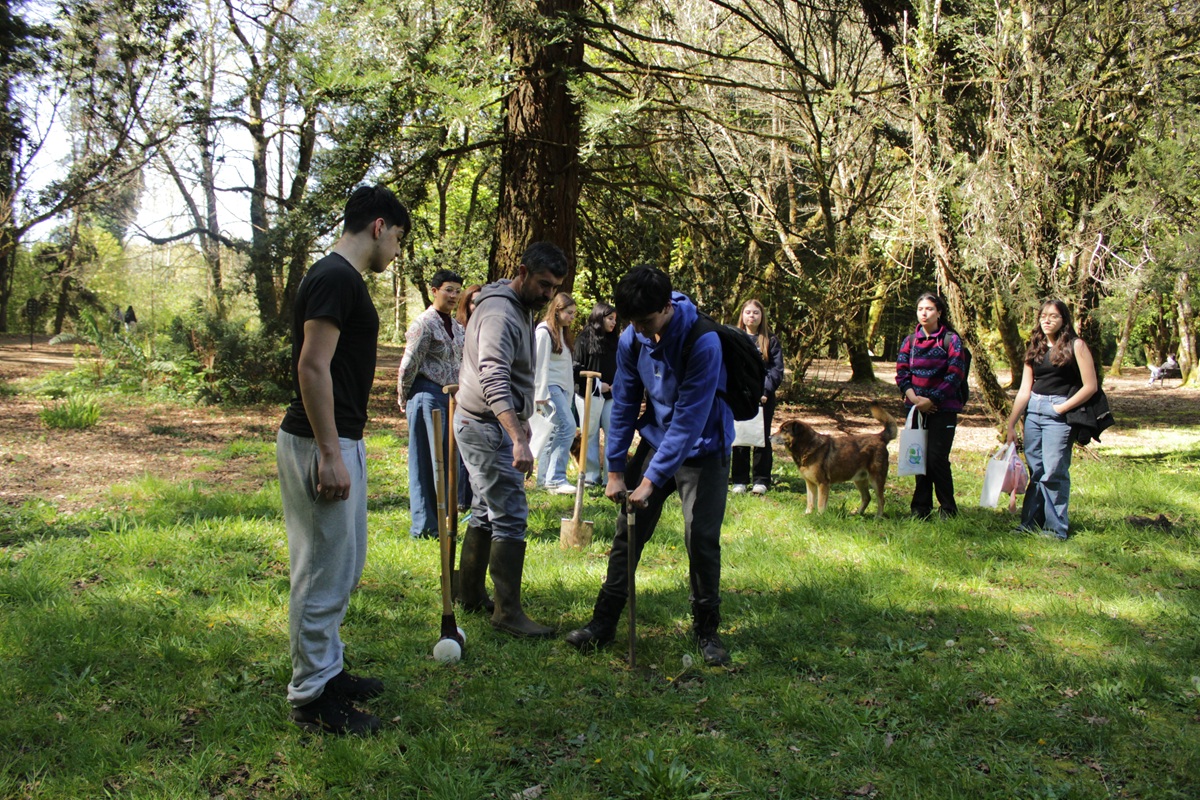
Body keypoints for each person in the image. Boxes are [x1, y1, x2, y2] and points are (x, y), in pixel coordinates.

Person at [276, 184, 410, 736]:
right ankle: (311, 697)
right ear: (380, 226)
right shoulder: (334, 276)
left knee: (343, 566)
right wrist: (330, 453)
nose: (397, 252)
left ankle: (328, 672)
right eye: (399, 238)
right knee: (321, 571)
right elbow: (313, 367)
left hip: (340, 438)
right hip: (317, 442)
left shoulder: (343, 279)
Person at [565, 265, 735, 666]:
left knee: (701, 539)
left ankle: (707, 632)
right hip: (657, 440)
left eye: (646, 321)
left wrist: (651, 480)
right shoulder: (631, 338)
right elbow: (623, 401)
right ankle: (602, 624)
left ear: (666, 307)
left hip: (705, 448)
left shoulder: (703, 341)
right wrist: (615, 471)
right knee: (628, 531)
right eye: (632, 323)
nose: (639, 330)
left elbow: (689, 421)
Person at [453, 241, 568, 637]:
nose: (548, 294)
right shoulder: (502, 312)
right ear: (522, 272)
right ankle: (507, 613)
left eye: (554, 288)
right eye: (542, 284)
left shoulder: (517, 305)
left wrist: (522, 420)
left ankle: (467, 593)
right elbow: (493, 377)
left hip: (492, 423)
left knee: (487, 508)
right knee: (511, 513)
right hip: (484, 425)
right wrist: (517, 436)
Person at [1005, 299, 1098, 540]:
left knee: (1054, 471)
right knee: (1036, 470)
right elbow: (1025, 390)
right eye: (1043, 315)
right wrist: (1012, 423)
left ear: (1064, 320)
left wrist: (1061, 408)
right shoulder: (1034, 346)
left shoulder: (1076, 346)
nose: (1047, 320)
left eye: (1054, 316)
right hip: (1034, 411)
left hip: (1058, 412)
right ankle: (1030, 523)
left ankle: (1055, 528)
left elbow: (1090, 386)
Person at [397, 270, 464, 539]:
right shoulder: (423, 324)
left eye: (458, 291)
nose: (454, 296)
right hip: (426, 395)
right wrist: (403, 397)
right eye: (448, 289)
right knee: (426, 460)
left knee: (449, 461)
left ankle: (445, 521)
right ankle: (424, 527)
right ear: (434, 290)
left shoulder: (456, 326)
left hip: (451, 398)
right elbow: (409, 363)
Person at [895, 291, 966, 520]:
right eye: (920, 309)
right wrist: (915, 399)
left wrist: (932, 400)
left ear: (939, 312)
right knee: (918, 457)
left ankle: (947, 509)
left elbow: (955, 374)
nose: (924, 313)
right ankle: (920, 508)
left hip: (942, 409)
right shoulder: (910, 341)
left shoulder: (951, 340)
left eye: (929, 309)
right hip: (915, 409)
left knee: (937, 458)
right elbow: (902, 373)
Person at [729, 299, 785, 495]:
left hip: (763, 398)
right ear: (742, 316)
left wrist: (765, 392)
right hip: (740, 396)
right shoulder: (734, 337)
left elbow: (776, 370)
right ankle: (739, 480)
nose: (751, 316)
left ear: (762, 317)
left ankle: (761, 480)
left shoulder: (771, 340)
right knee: (740, 437)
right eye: (748, 312)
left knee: (762, 438)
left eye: (755, 313)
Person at [534, 292, 579, 493]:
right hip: (549, 388)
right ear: (557, 310)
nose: (572, 317)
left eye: (574, 314)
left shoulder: (563, 332)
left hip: (561, 388)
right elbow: (539, 364)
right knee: (568, 426)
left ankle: (544, 480)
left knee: (552, 434)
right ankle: (556, 478)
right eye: (569, 313)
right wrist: (540, 394)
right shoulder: (544, 331)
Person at [572, 301, 619, 485]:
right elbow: (576, 369)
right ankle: (590, 478)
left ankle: (611, 478)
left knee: (613, 433)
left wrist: (617, 385)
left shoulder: (616, 341)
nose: (613, 322)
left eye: (615, 319)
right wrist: (599, 385)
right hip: (587, 395)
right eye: (610, 318)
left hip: (611, 397)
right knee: (589, 435)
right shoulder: (583, 340)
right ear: (600, 318)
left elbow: (622, 367)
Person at [453, 284, 483, 513]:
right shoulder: (459, 329)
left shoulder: (487, 327)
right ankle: (460, 499)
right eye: (474, 301)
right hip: (458, 392)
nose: (477, 306)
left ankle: (472, 499)